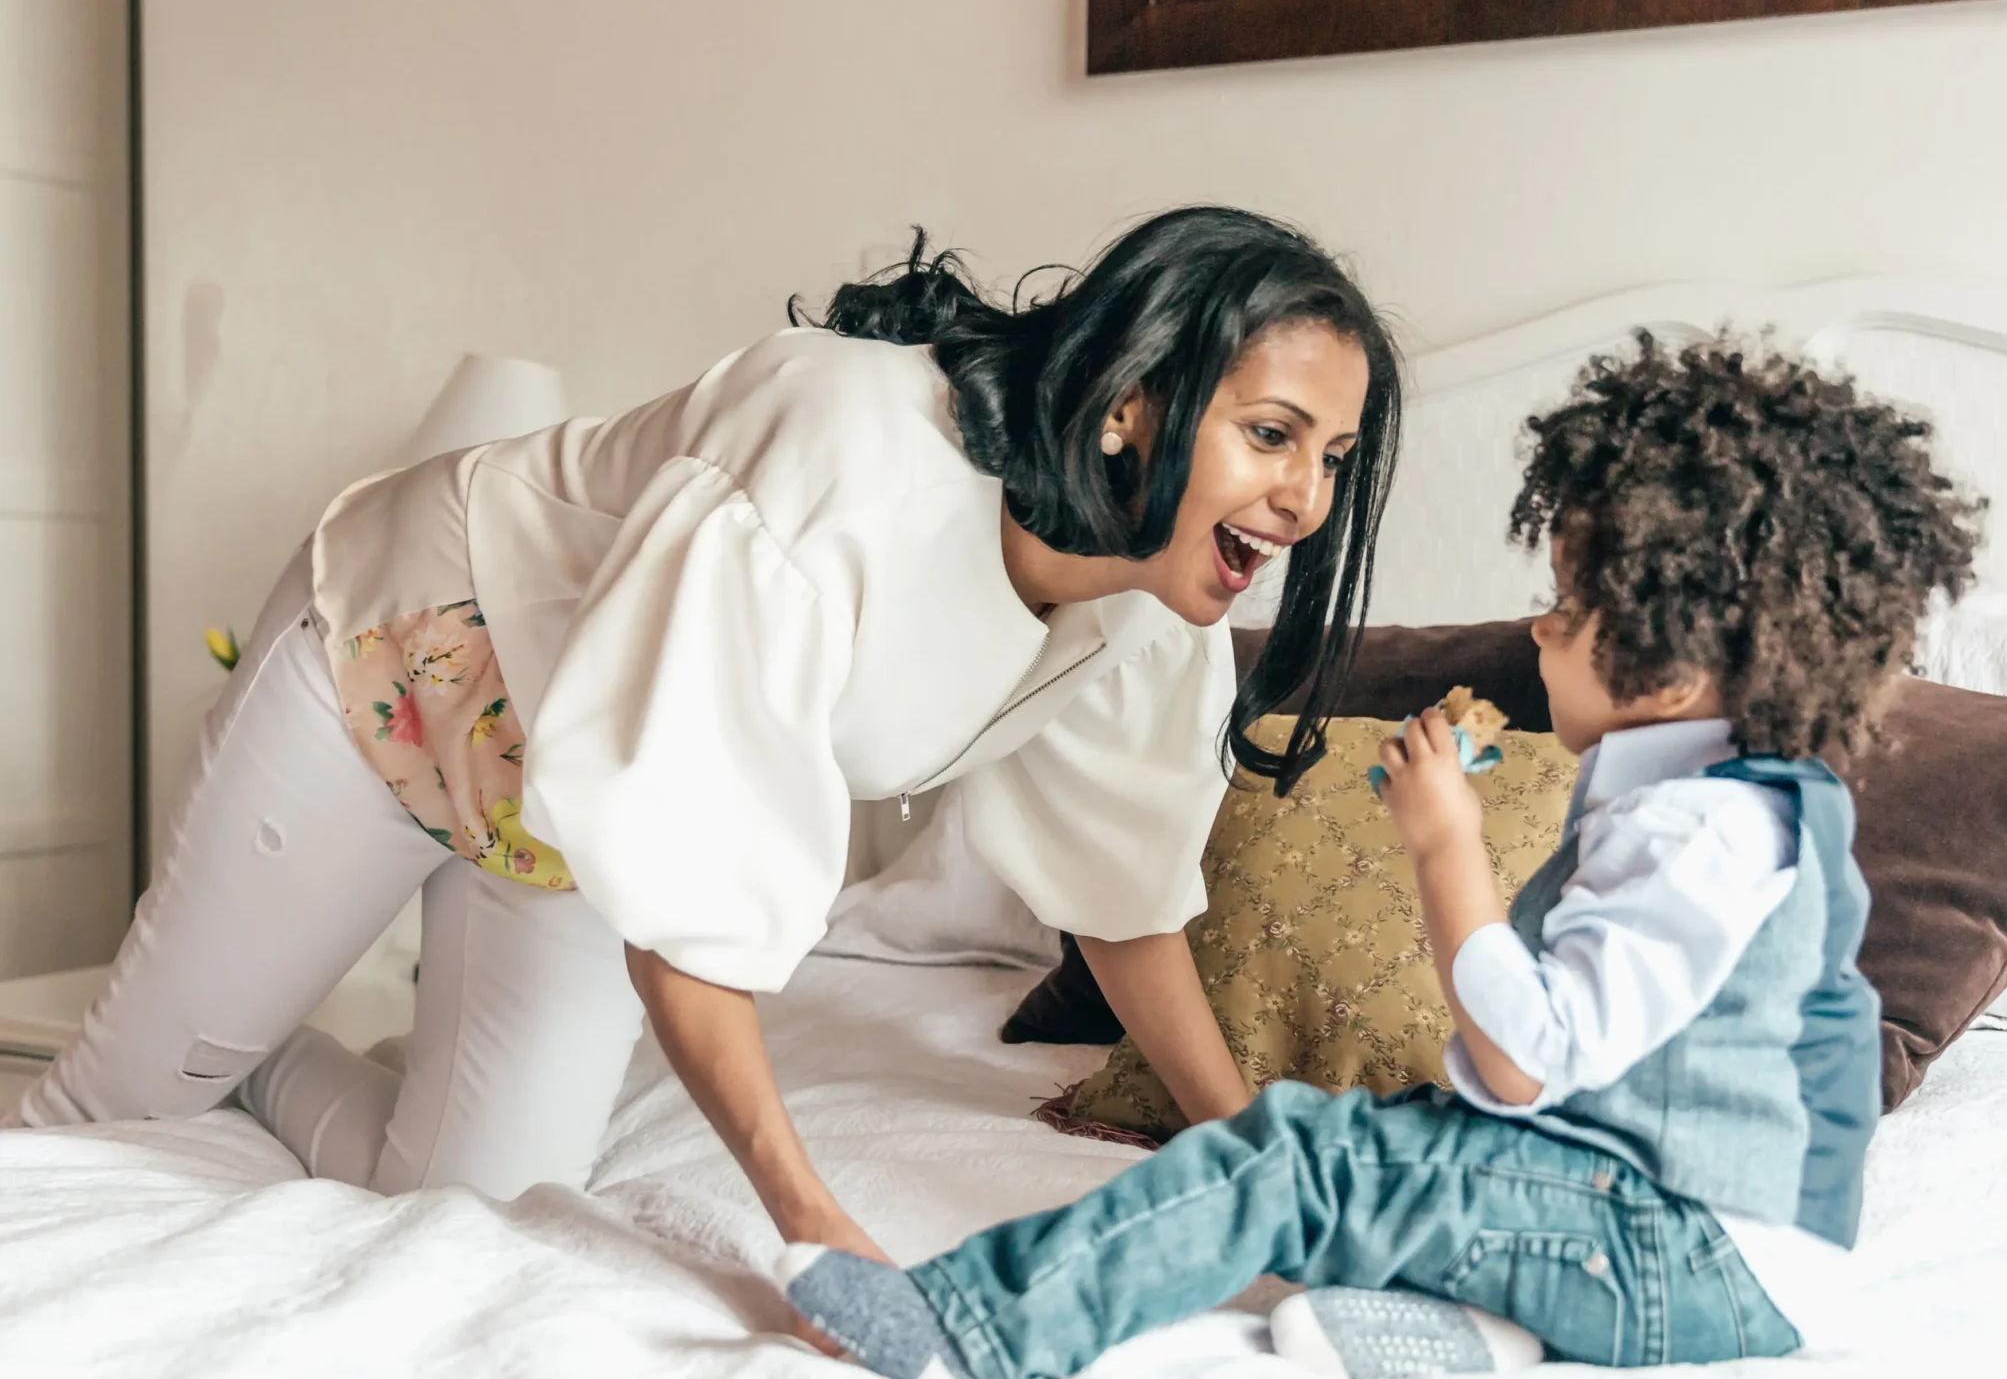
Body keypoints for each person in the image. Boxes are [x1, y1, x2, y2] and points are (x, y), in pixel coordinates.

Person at [17, 207, 1402, 1271]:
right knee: (112, 1111)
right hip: (406, 667)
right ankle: (207, 1044)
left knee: (471, 1211)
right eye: (1274, 434)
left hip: (580, 821)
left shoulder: (1147, 616)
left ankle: (250, 1051)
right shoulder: (847, 456)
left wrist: (1253, 1143)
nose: (1303, 497)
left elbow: (1126, 908)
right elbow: (696, 935)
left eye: (1332, 459)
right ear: (1135, 402)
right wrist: (807, 1216)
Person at [779, 331, 1979, 1379]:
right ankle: (1490, 1330)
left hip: (1681, 1260)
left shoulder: (1697, 832)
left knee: (1301, 1157)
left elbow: (1522, 1059)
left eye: (1568, 608)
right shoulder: (1729, 797)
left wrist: (1445, 841)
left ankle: (965, 1329)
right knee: (1392, 1137)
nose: (1538, 632)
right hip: (1677, 1243)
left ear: (1674, 665)